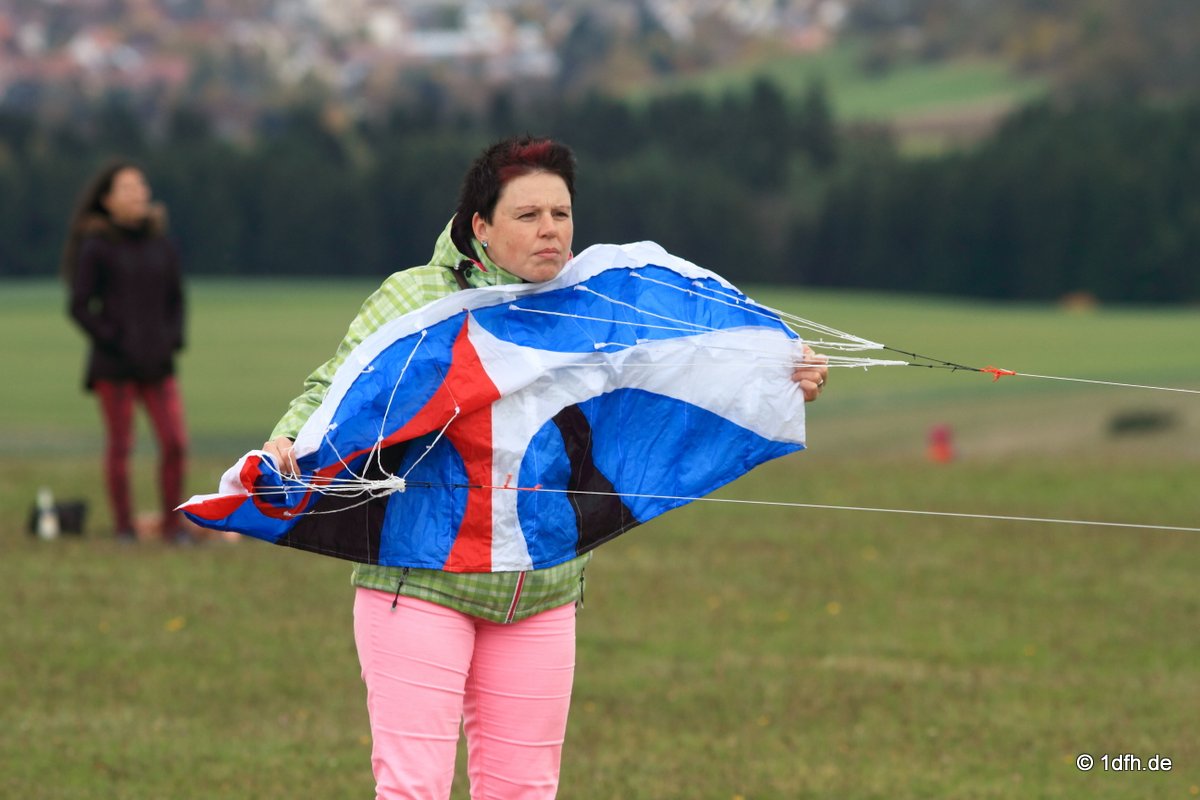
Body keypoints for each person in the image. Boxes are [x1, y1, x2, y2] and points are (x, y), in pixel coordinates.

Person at [262, 135, 829, 799]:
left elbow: (683, 371)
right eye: (527, 215)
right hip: (419, 581)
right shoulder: (416, 298)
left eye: (561, 214)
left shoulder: (593, 305)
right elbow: (336, 389)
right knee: (414, 789)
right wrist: (285, 442)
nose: (549, 229)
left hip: (541, 591)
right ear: (481, 226)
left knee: (526, 790)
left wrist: (778, 376)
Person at [63, 159, 189, 543]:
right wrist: (113, 338)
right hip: (114, 366)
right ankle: (124, 528)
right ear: (108, 200)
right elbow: (79, 305)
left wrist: (172, 339)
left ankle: (173, 527)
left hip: (158, 363)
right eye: (127, 188)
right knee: (121, 447)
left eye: (141, 186)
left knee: (175, 443)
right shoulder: (96, 246)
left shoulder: (162, 244)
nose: (137, 194)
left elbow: (176, 299)